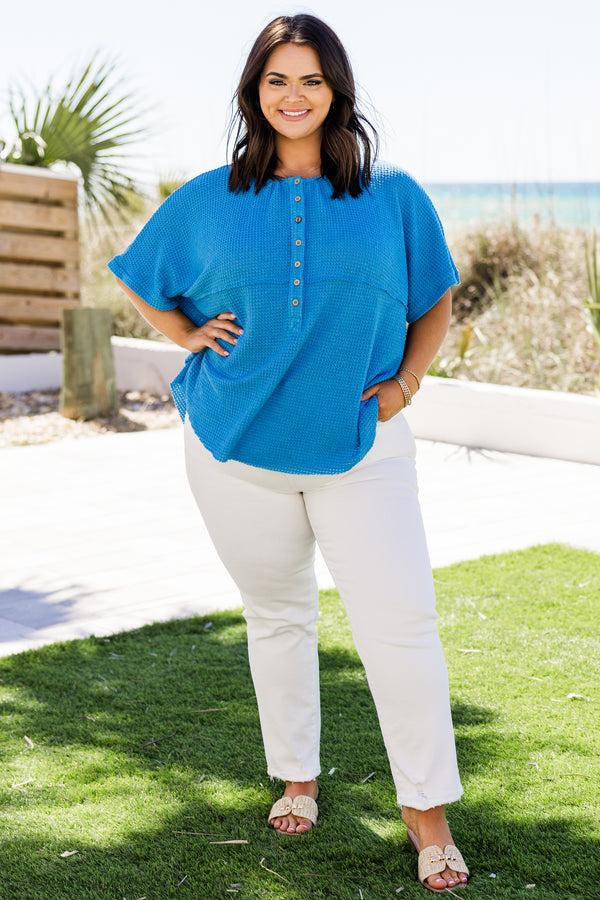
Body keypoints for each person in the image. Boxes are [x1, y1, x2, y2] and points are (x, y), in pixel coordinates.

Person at [108, 13, 469, 893]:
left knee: (401, 625)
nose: (294, 95)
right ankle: (297, 777)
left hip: (364, 446)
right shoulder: (209, 196)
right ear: (254, 92)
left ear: (336, 89)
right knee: (276, 617)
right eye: (277, 80)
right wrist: (187, 334)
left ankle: (427, 814)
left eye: (311, 79)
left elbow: (436, 300)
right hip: (234, 447)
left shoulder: (393, 196)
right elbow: (140, 274)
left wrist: (406, 383)